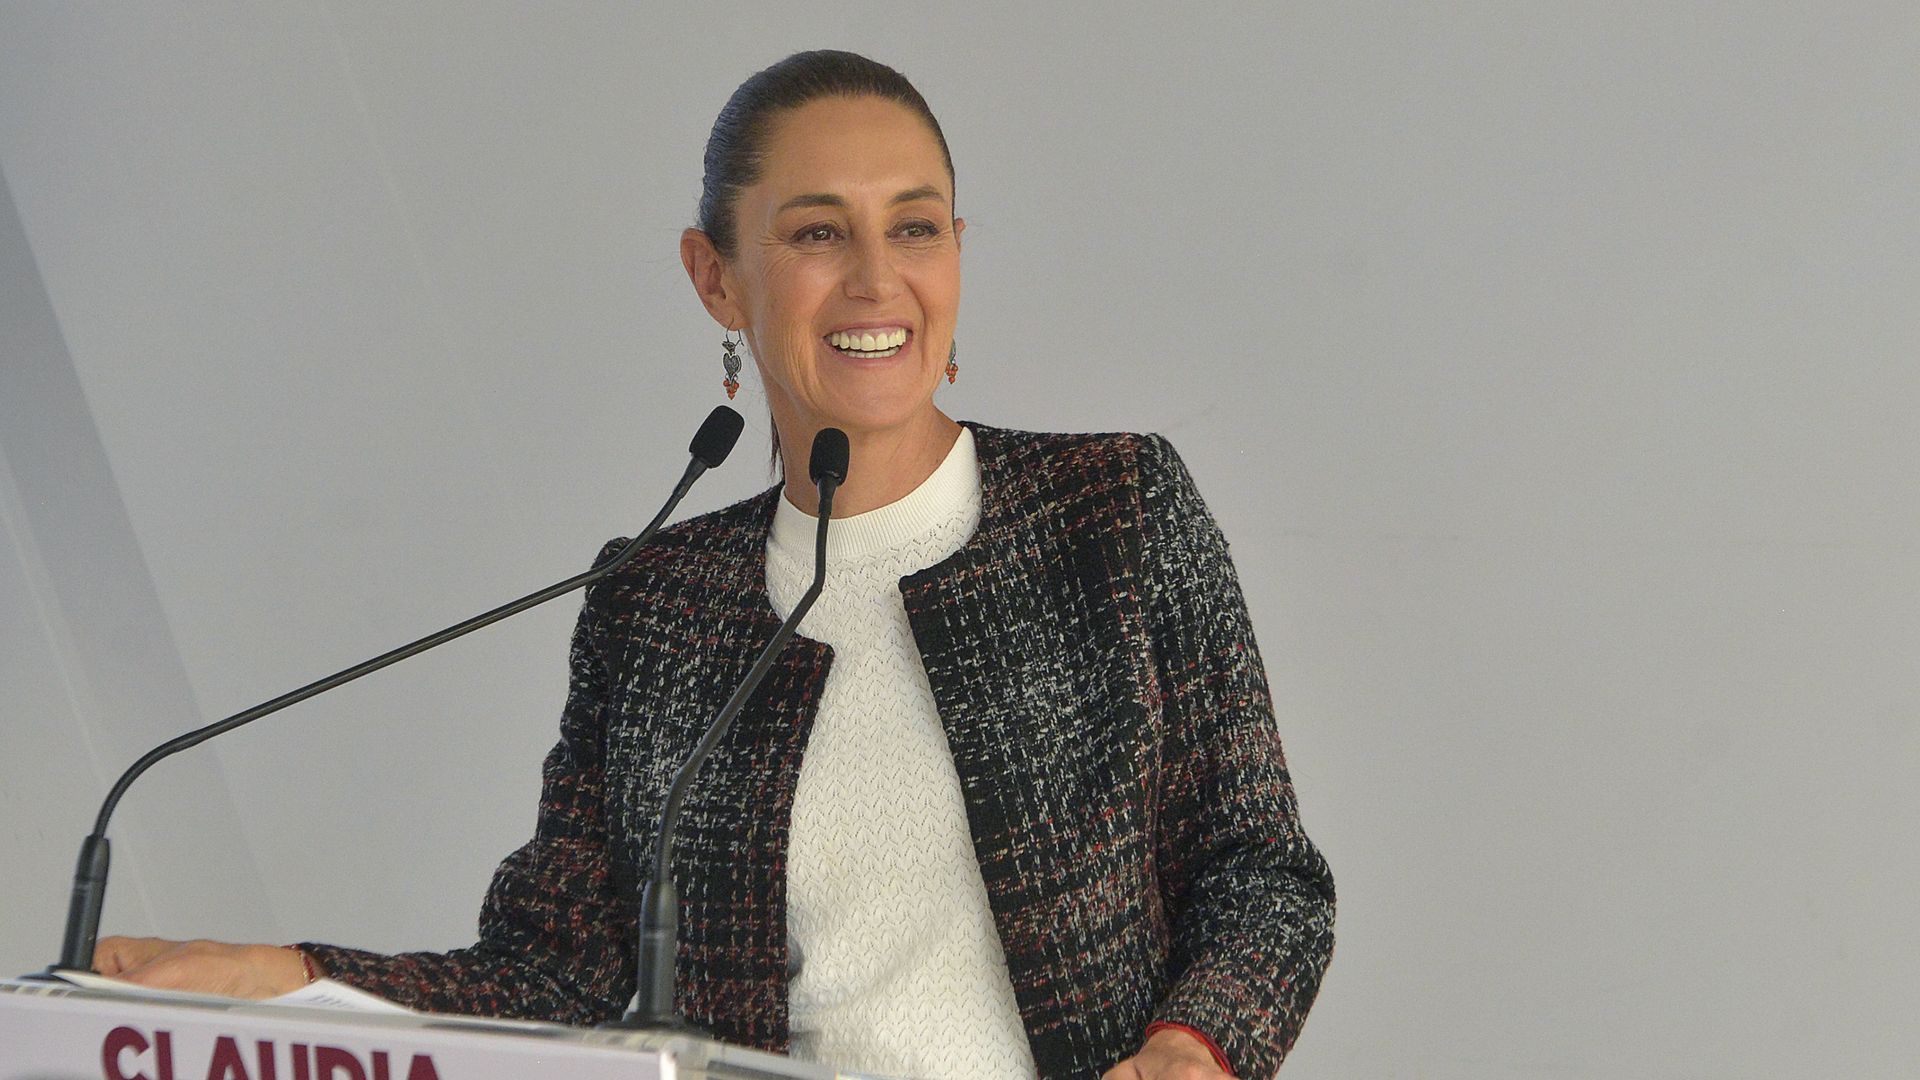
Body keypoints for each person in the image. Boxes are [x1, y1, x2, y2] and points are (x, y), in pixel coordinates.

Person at [93, 50, 1334, 1080]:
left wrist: (1191, 1052)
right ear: (715, 276)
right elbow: (559, 974)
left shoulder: (1112, 508)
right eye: (814, 232)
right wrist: (301, 978)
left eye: (914, 226)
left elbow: (1262, 873)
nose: (875, 279)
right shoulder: (653, 604)